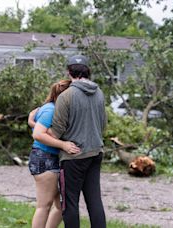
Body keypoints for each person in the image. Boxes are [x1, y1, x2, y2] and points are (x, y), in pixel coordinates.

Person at [51, 55, 107, 228]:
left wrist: (39, 128)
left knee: (70, 204)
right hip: (95, 153)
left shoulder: (66, 96)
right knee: (94, 201)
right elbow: (103, 124)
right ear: (88, 71)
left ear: (69, 72)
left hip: (73, 156)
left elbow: (57, 130)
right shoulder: (99, 93)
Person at [28, 79, 80, 228]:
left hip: (55, 158)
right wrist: (63, 145)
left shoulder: (58, 109)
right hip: (44, 158)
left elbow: (44, 129)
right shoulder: (51, 110)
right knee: (44, 205)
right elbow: (38, 134)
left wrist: (32, 122)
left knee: (60, 205)